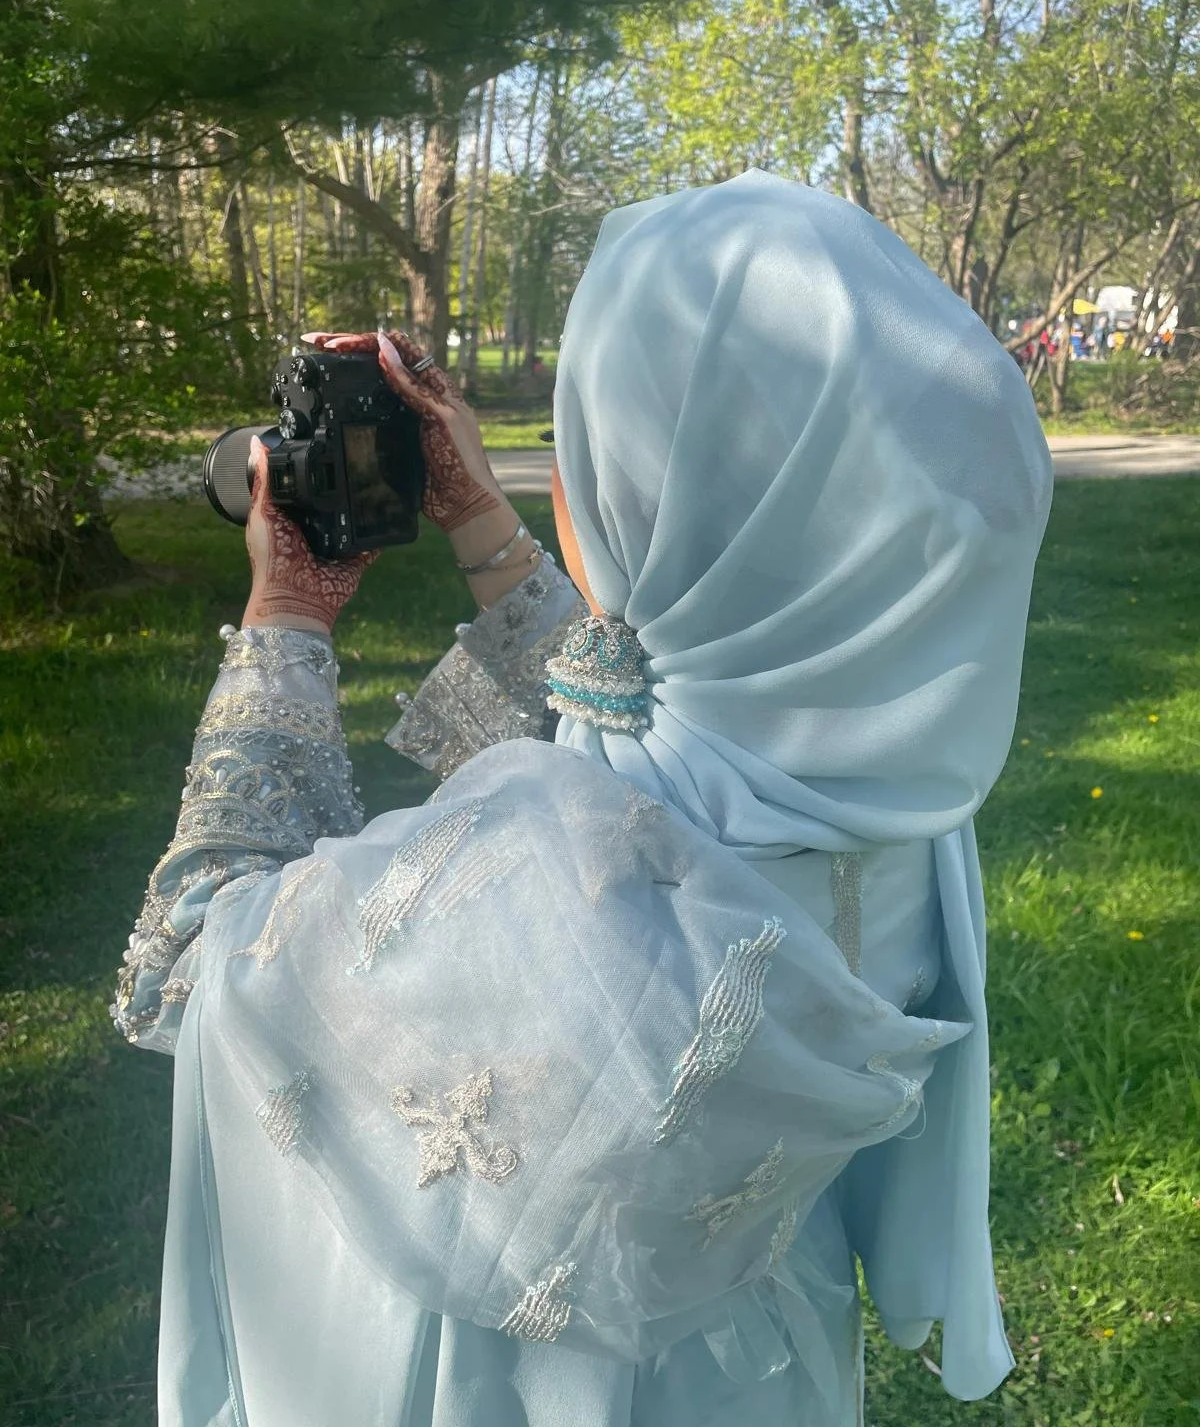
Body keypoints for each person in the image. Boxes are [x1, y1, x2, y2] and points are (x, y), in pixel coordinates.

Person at [113, 169, 1052, 1427]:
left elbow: (190, 959)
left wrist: (284, 618)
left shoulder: (559, 882)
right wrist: (480, 521)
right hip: (766, 1374)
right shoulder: (906, 808)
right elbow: (639, 734)